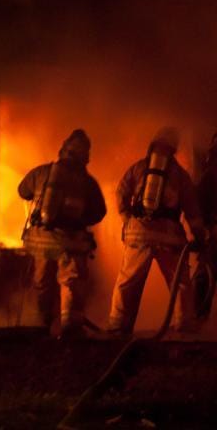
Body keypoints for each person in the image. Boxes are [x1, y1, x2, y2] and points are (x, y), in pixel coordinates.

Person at [107, 127, 206, 336]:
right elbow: (192, 210)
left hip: (138, 234)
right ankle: (185, 326)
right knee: (179, 283)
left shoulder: (138, 168)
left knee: (128, 281)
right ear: (173, 150)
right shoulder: (180, 175)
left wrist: (128, 219)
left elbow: (120, 194)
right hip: (169, 237)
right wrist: (198, 237)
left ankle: (118, 326)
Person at [19, 129, 107, 337]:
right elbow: (99, 212)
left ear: (62, 150)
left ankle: (42, 326)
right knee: (71, 283)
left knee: (42, 283)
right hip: (72, 241)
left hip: (43, 240)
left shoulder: (41, 172)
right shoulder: (88, 182)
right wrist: (80, 220)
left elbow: (23, 191)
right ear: (85, 156)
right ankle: (70, 328)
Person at [194, 133, 217, 319]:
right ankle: (198, 318)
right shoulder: (210, 177)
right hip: (213, 236)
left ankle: (198, 318)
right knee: (205, 275)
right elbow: (199, 206)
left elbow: (198, 205)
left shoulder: (209, 175)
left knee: (205, 275)